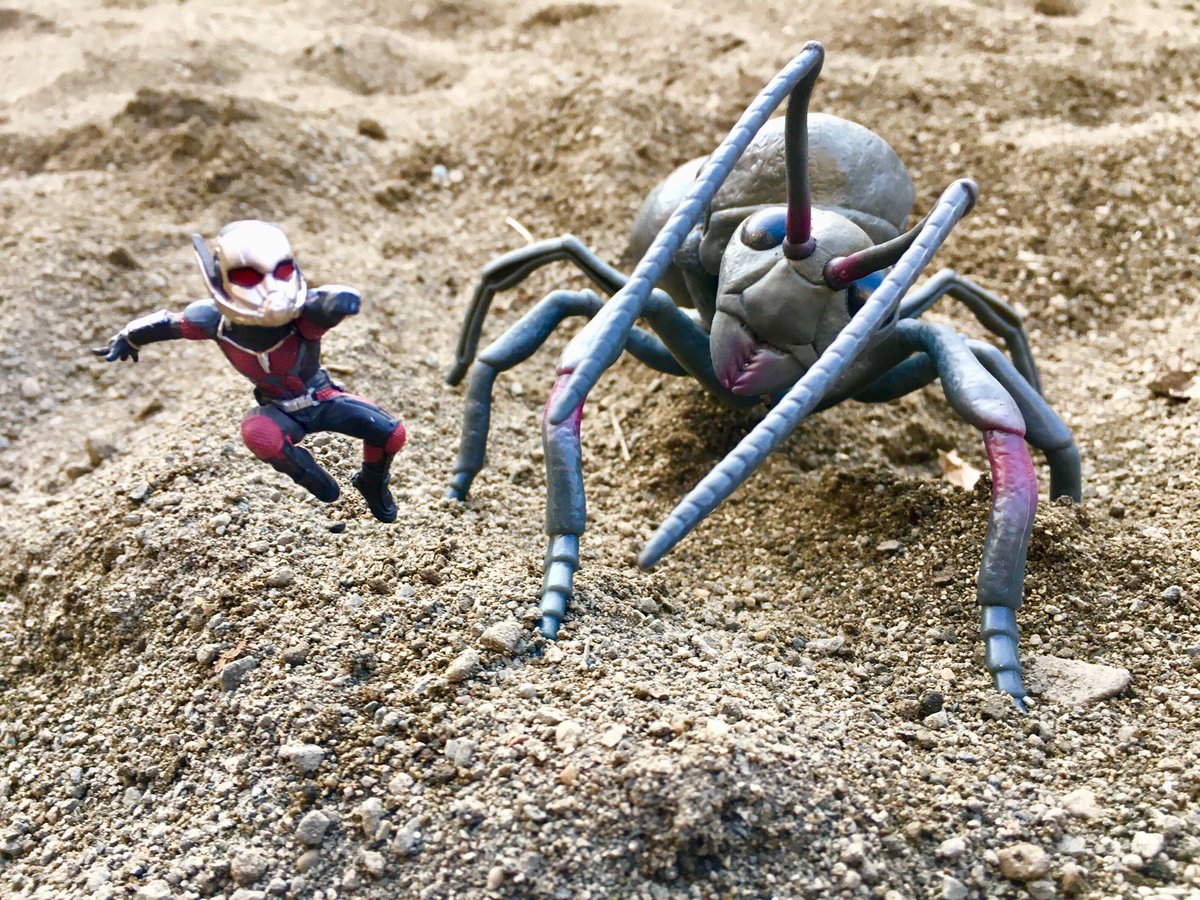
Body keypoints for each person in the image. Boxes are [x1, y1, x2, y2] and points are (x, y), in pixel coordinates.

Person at [94, 220, 406, 522]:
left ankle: (371, 481)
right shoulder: (212, 322)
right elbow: (169, 324)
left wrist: (338, 302)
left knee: (390, 434)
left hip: (321, 398)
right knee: (260, 434)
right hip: (279, 408)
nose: (269, 288)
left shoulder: (304, 318)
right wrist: (130, 336)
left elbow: (329, 304)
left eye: (281, 272)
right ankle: (311, 477)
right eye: (247, 276)